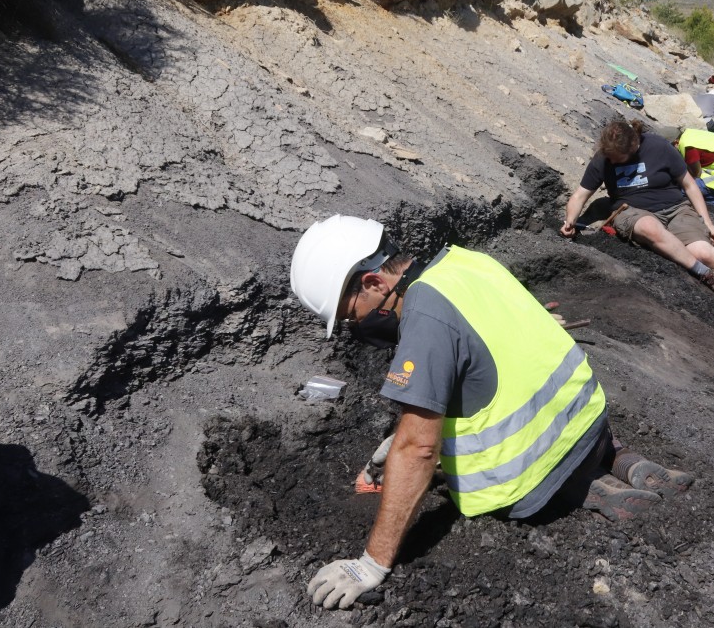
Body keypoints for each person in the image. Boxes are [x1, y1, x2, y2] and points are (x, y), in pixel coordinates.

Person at [290, 215, 693, 610]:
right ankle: (620, 458)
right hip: (588, 419)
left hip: (535, 475)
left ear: (374, 283)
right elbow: (488, 362)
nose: (354, 326)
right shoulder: (465, 263)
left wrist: (370, 564)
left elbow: (419, 451)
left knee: (469, 479)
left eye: (350, 314)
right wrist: (400, 437)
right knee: (568, 441)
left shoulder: (423, 318)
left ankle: (590, 492)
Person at [560, 118, 714, 309]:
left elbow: (689, 185)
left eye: (619, 158)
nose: (612, 161)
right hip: (631, 211)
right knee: (649, 227)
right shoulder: (604, 158)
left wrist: (708, 223)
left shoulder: (658, 146)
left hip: (676, 209)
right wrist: (570, 220)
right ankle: (705, 274)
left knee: (704, 251)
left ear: (635, 145)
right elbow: (580, 195)